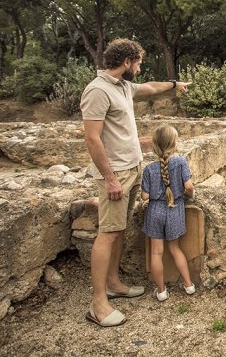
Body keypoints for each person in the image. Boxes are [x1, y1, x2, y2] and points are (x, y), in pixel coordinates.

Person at [81, 38, 190, 327]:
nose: (140, 68)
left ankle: (114, 283)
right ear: (126, 62)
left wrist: (174, 84)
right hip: (115, 174)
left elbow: (152, 87)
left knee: (118, 230)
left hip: (130, 169)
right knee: (108, 232)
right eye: (139, 62)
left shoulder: (123, 87)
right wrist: (109, 178)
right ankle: (98, 303)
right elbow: (91, 138)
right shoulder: (98, 90)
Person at [140, 125, 197, 301]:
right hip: (175, 208)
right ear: (174, 143)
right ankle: (188, 285)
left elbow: (144, 196)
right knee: (175, 248)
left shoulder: (149, 168)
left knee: (156, 253)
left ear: (155, 145)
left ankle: (161, 291)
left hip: (155, 210)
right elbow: (189, 187)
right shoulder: (180, 162)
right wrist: (190, 195)